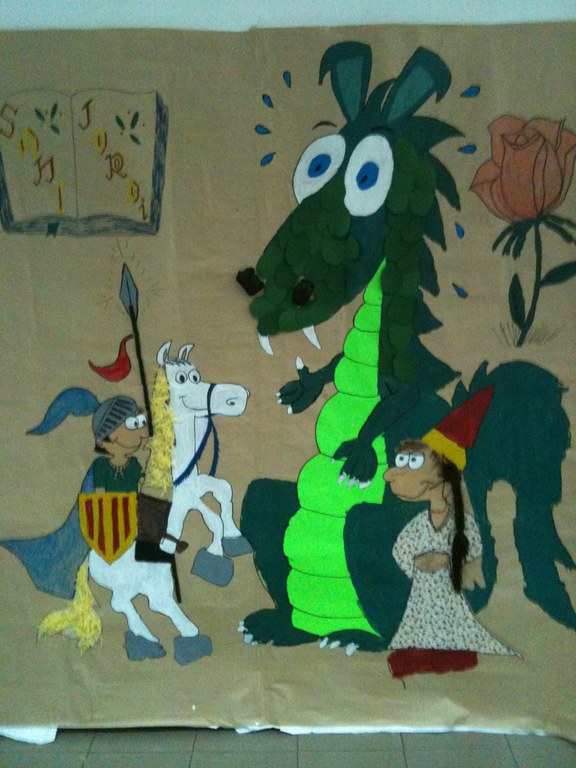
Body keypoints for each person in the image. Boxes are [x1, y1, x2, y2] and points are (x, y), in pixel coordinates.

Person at [384, 388, 518, 678]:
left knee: (453, 640)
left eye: (414, 462)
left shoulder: (461, 524)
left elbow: (474, 548)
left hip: (447, 593)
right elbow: (400, 551)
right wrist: (419, 565)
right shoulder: (418, 525)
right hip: (421, 595)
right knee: (417, 636)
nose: (390, 474)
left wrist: (446, 561)